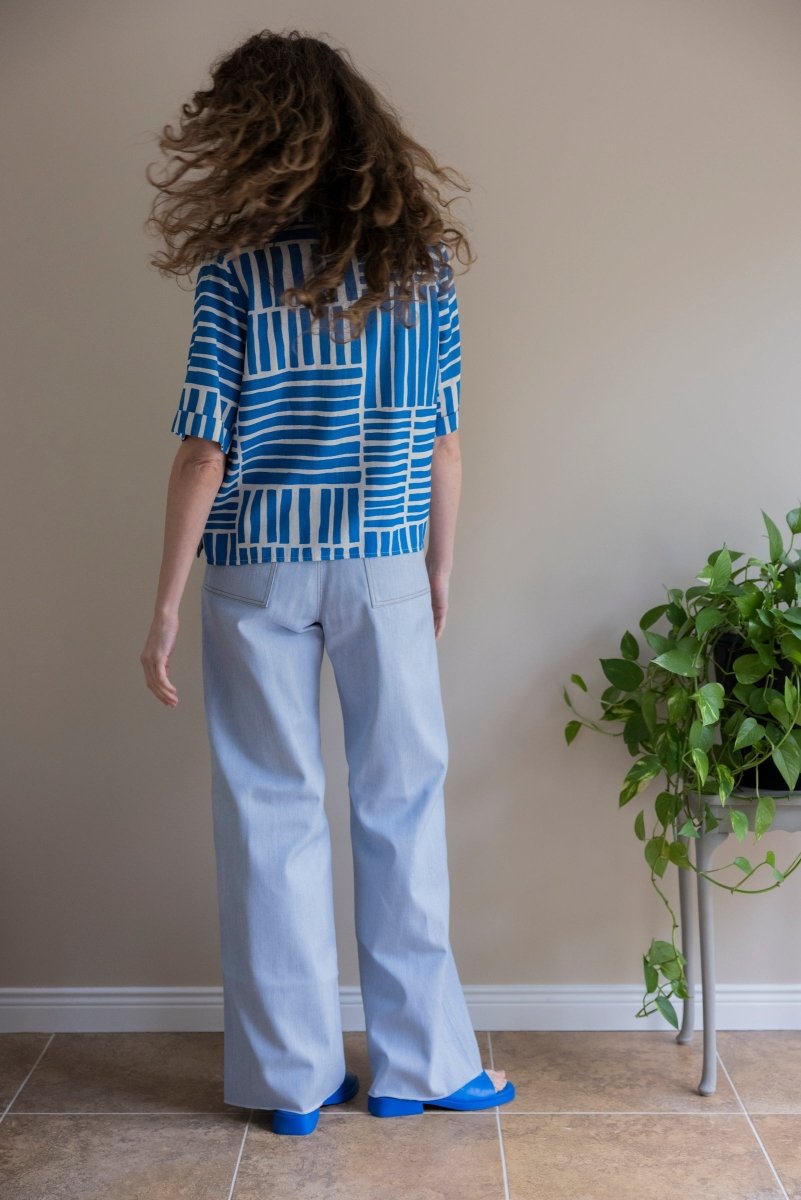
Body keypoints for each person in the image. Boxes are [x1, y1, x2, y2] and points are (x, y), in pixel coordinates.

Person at [139, 29, 515, 1137]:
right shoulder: (419, 266)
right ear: (362, 131)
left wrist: (164, 605)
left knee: (269, 815)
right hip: (384, 560)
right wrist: (438, 565)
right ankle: (419, 1067)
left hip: (254, 570)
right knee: (402, 806)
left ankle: (292, 1083)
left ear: (247, 139)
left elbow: (203, 449)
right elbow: (445, 438)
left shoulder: (235, 270)